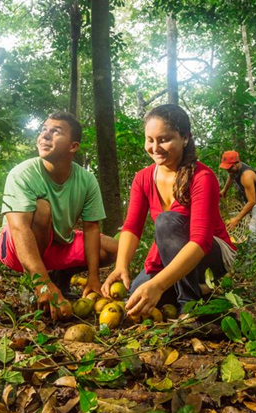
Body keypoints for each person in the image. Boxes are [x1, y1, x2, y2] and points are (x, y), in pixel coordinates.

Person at [101, 104, 236, 317]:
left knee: (167, 221)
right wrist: (121, 266)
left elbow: (200, 241)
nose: (155, 147)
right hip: (170, 252)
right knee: (138, 294)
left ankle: (189, 307)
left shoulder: (203, 177)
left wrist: (159, 284)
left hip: (212, 252)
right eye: (150, 140)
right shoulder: (143, 178)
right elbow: (132, 227)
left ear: (185, 138)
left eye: (164, 139)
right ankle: (202, 289)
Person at [0, 111, 118, 320]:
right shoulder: (23, 173)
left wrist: (93, 278)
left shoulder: (86, 180)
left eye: (56, 131)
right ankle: (37, 283)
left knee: (114, 247)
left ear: (73, 146)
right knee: (42, 209)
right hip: (15, 246)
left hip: (57, 243)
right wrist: (41, 284)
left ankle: (58, 276)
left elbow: (91, 228)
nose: (45, 136)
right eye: (44, 130)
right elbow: (18, 228)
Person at [219, 151, 256, 243]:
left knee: (252, 229)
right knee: (249, 226)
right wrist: (224, 190)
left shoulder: (246, 176)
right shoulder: (234, 169)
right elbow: (231, 176)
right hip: (249, 201)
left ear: (237, 163)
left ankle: (251, 255)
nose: (228, 170)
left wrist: (237, 219)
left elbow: (252, 202)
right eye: (226, 168)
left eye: (230, 168)